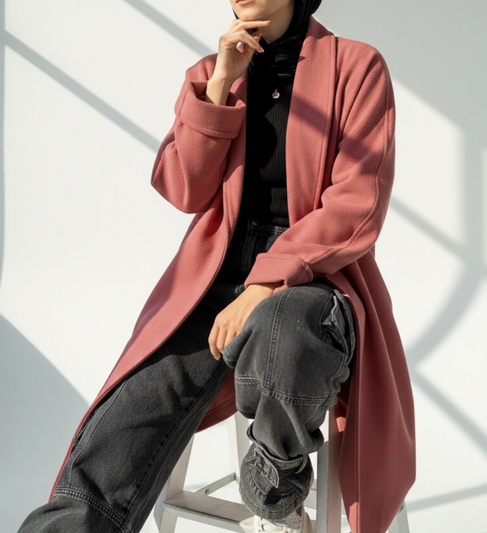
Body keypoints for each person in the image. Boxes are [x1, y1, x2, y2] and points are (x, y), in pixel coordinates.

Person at [18, 1, 415, 532]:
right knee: (127, 419)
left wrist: (265, 282)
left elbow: (358, 203)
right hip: (213, 279)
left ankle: (275, 477)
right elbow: (183, 188)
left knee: (285, 331)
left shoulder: (357, 67)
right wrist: (222, 85)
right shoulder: (212, 72)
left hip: (317, 276)